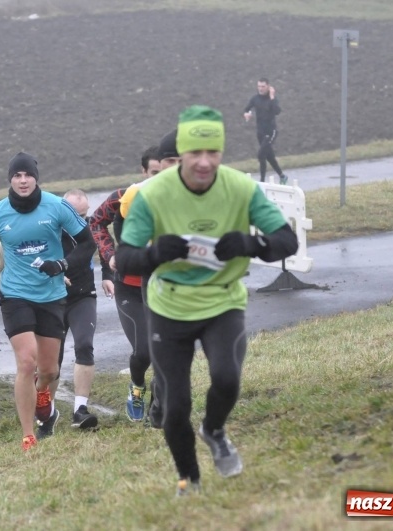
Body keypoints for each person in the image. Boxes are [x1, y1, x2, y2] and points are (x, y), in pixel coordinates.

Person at [116, 105, 298, 495]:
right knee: (175, 406)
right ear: (179, 154)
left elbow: (287, 240)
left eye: (212, 153)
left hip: (222, 302)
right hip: (170, 309)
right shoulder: (152, 195)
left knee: (227, 378)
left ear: (221, 152)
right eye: (194, 153)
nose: (203, 162)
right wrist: (156, 252)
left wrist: (252, 243)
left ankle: (214, 430)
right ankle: (190, 480)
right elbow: (124, 258)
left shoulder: (241, 188)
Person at [0, 152, 96, 451]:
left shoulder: (56, 206)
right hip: (15, 296)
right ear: (10, 180)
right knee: (26, 362)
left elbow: (88, 243)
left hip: (51, 295)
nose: (23, 180)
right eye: (17, 175)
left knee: (49, 370)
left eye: (27, 175)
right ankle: (28, 435)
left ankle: (46, 407)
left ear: (36, 178)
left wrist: (63, 265)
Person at [0, 189, 100, 430]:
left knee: (84, 345)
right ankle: (46, 413)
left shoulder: (85, 230)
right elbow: (6, 264)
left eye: (84, 215)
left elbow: (96, 247)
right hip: (48, 300)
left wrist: (109, 275)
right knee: (49, 366)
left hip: (82, 297)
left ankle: (80, 410)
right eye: (74, 214)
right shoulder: (40, 228)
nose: (80, 220)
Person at [89, 144, 162, 423]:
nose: (158, 178)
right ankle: (136, 387)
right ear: (143, 171)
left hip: (165, 284)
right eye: (153, 172)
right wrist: (110, 255)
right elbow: (95, 222)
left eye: (164, 172)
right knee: (144, 350)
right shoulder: (123, 197)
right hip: (130, 286)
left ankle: (160, 404)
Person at [243, 77, 288, 184]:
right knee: (268, 156)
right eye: (259, 86)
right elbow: (247, 108)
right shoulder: (255, 98)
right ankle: (282, 176)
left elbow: (277, 111)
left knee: (261, 154)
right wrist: (247, 113)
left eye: (263, 86)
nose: (261, 89)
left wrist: (272, 96)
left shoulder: (272, 99)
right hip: (260, 132)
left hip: (271, 131)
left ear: (268, 86)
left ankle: (262, 181)